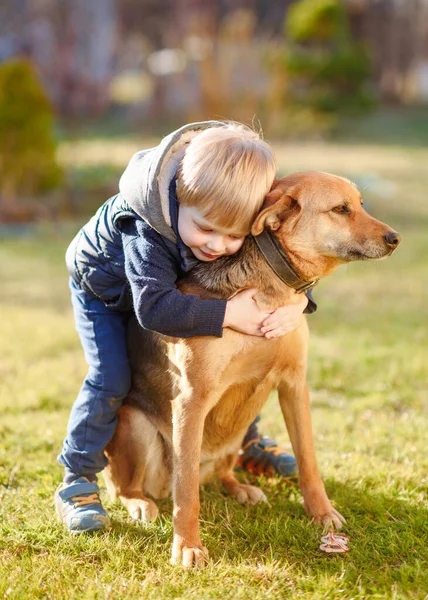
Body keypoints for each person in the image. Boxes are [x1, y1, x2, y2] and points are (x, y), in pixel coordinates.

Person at [55, 121, 315, 533]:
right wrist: (227, 315)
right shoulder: (147, 226)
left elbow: (266, 268)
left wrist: (301, 301)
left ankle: (244, 443)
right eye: (207, 229)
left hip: (163, 288)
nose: (217, 246)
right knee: (112, 378)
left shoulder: (218, 216)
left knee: (235, 364)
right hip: (107, 292)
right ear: (179, 197)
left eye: (234, 236)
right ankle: (78, 479)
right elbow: (155, 308)